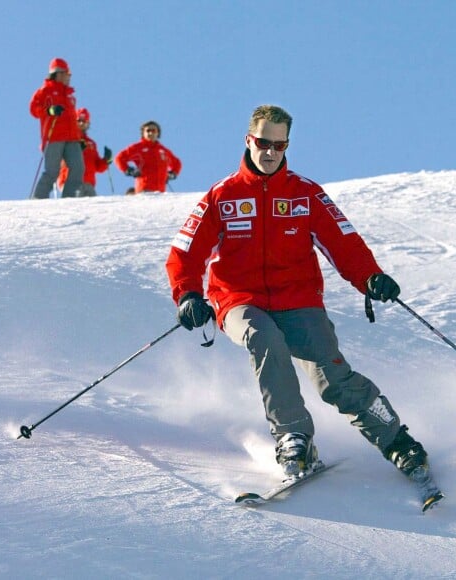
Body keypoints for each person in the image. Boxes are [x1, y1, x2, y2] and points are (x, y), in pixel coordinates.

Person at [166, 104, 434, 487]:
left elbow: (343, 242)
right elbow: (185, 252)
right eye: (263, 143)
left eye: (279, 144)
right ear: (249, 140)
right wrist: (188, 294)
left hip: (299, 301)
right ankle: (294, 437)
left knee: (333, 377)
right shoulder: (222, 196)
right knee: (265, 339)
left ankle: (398, 440)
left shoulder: (305, 194)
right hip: (239, 300)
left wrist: (371, 276)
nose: (271, 152)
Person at [29, 57, 83, 198]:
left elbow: (72, 118)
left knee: (78, 167)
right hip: (54, 137)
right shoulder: (45, 91)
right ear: (58, 73)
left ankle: (69, 198)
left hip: (71, 138)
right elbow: (34, 109)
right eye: (67, 74)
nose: (69, 77)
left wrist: (79, 137)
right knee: (52, 171)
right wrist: (49, 110)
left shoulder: (69, 94)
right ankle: (38, 198)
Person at [56, 108, 112, 197]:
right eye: (79, 120)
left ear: (88, 124)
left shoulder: (91, 143)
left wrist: (106, 160)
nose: (82, 123)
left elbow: (98, 167)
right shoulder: (67, 138)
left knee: (93, 209)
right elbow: (59, 160)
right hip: (70, 182)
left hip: (88, 184)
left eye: (84, 121)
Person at [114, 121, 182, 193]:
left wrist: (172, 174)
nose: (151, 133)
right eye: (148, 130)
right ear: (143, 133)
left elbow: (177, 163)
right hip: (144, 190)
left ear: (158, 133)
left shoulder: (163, 151)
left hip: (161, 192)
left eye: (153, 130)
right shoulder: (138, 148)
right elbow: (119, 158)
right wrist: (129, 170)